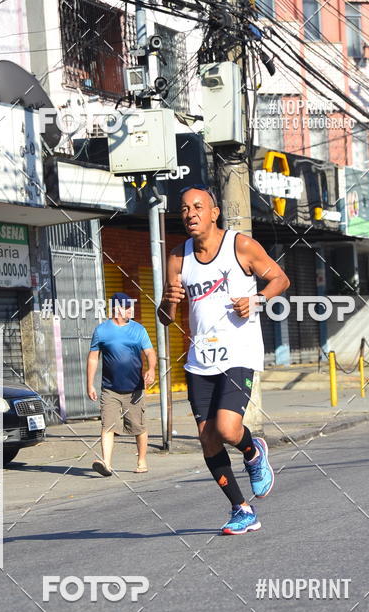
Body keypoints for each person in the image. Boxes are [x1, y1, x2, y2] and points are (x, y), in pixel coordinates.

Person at [158, 185, 290, 534]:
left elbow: (280, 277)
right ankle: (240, 508)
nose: (191, 214)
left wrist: (258, 299)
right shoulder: (177, 257)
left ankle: (253, 450)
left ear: (214, 212)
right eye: (184, 208)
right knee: (207, 438)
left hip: (239, 352)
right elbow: (164, 317)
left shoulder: (240, 246)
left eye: (198, 207)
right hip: (200, 359)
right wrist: (170, 302)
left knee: (227, 429)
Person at [87, 292, 156, 476]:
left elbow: (150, 353)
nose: (130, 310)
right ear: (116, 309)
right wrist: (90, 384)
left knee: (138, 427)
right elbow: (93, 358)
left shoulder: (138, 329)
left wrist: (151, 369)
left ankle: (141, 461)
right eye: (127, 307)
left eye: (130, 307)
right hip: (110, 389)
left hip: (134, 388)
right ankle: (106, 464)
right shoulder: (101, 331)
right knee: (108, 425)